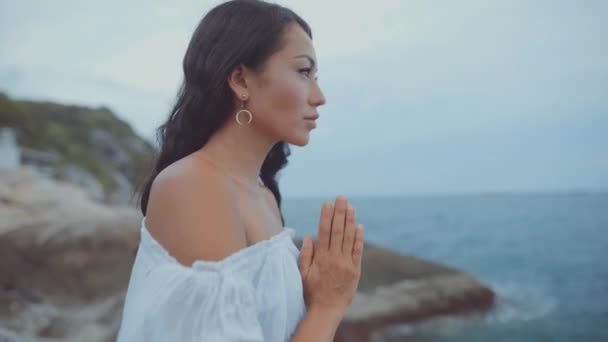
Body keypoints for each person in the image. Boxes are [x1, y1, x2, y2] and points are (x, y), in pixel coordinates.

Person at [117, 1, 365, 341]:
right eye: (304, 72)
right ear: (240, 80)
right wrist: (328, 306)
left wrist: (314, 298)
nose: (320, 97)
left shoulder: (262, 196)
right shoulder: (194, 185)